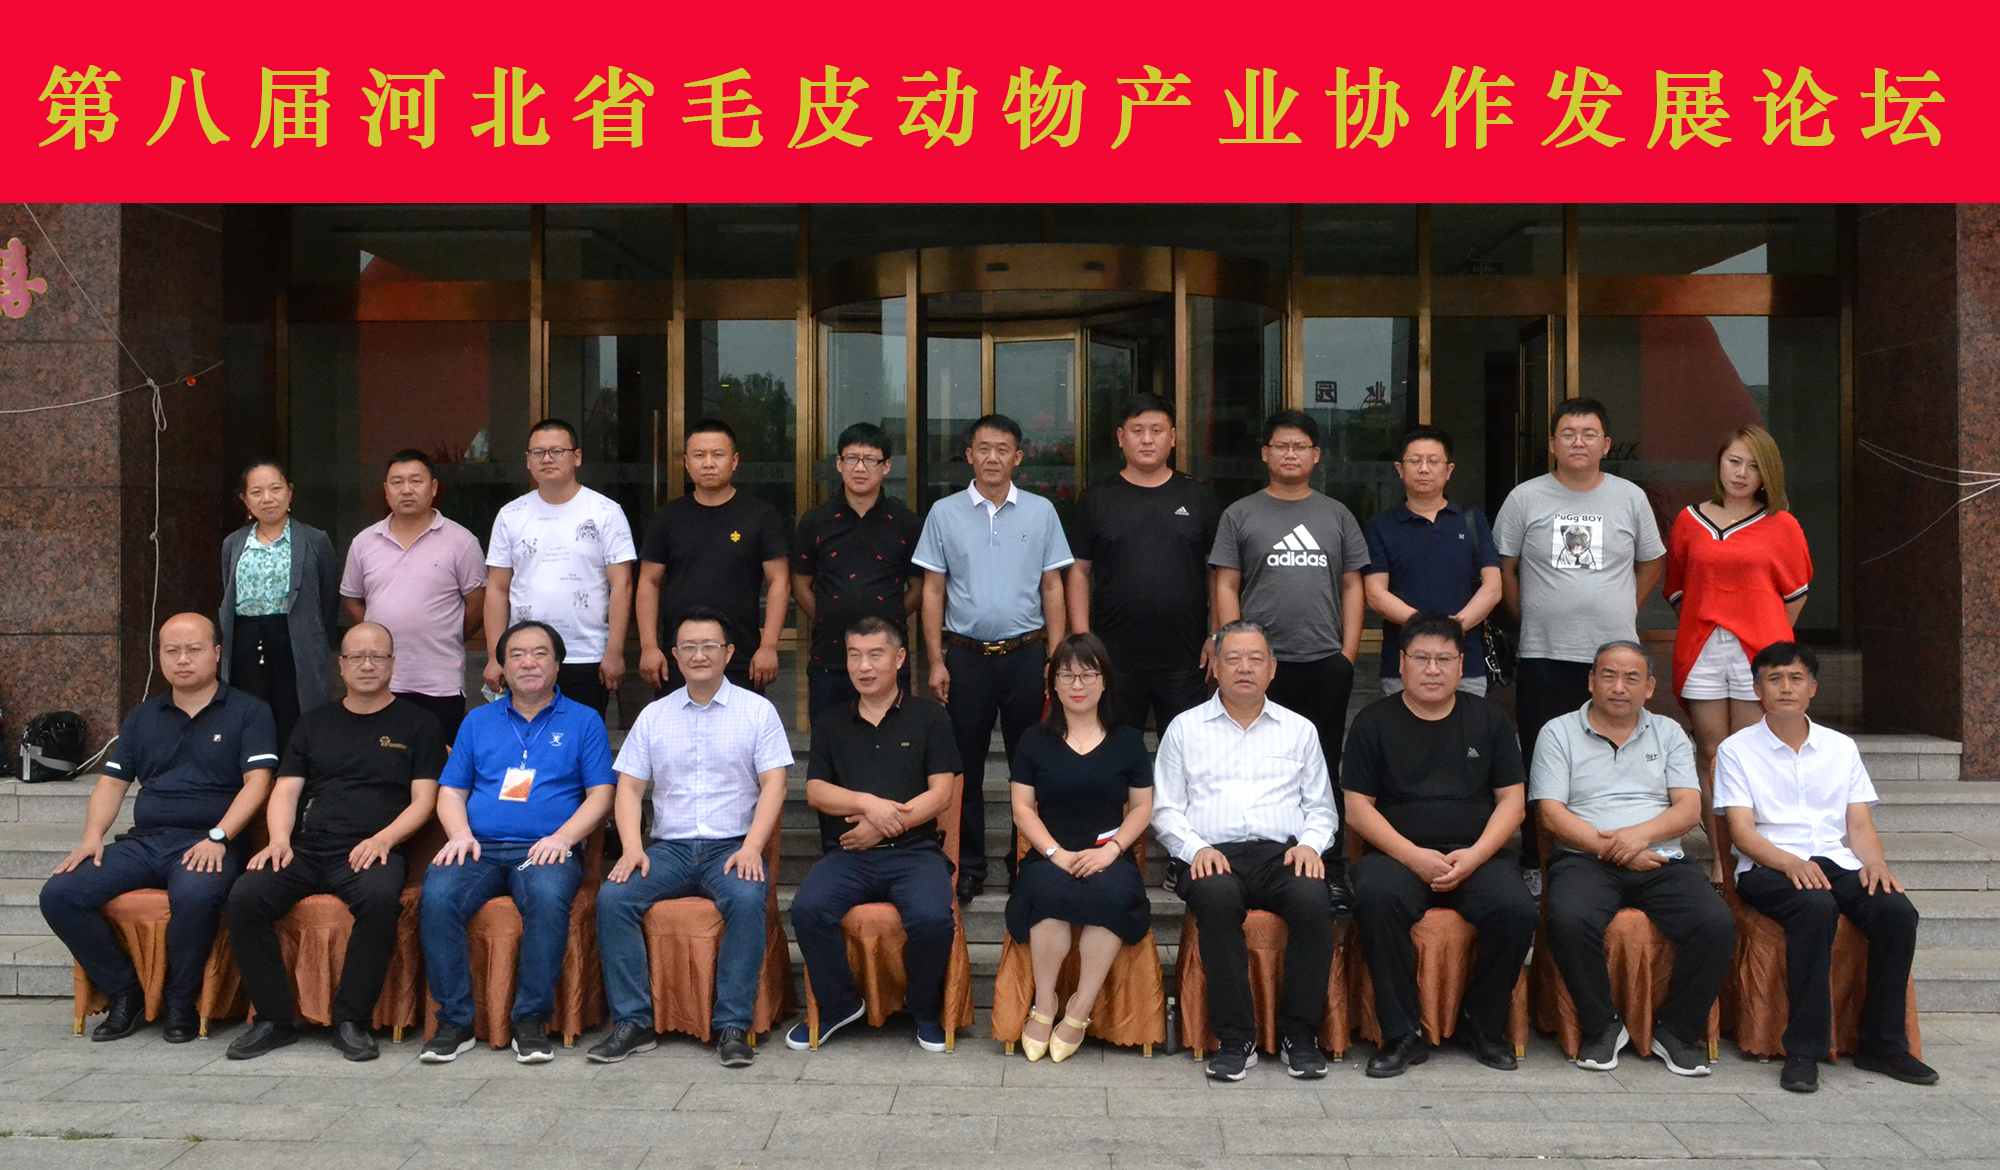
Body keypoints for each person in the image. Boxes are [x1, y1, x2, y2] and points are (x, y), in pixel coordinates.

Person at [40, 614, 277, 1044]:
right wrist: (92, 837)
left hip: (210, 840)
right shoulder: (143, 716)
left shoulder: (249, 712)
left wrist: (219, 836)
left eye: (193, 650)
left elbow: (258, 784)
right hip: (146, 841)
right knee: (60, 894)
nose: (182, 660)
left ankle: (180, 1003)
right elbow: (112, 783)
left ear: (217, 654)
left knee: (196, 894)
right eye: (172, 651)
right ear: (161, 656)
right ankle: (125, 992)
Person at [1714, 641, 1936, 1094]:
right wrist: (1790, 863)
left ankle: (1883, 1045)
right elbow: (1742, 833)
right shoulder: (1737, 750)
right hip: (1768, 864)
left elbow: (1859, 823)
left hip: (1835, 861)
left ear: (1812, 688)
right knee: (1815, 908)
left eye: (1796, 678)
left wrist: (1876, 864)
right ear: (1758, 690)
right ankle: (1804, 1050)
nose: (1786, 687)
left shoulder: (1841, 747)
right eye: (1774, 679)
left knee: (1897, 912)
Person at [223, 622, 445, 1062]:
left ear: (393, 664)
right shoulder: (314, 723)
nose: (367, 665)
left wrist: (384, 839)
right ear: (341, 666)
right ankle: (273, 1020)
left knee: (379, 900)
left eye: (377, 656)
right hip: (308, 847)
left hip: (374, 849)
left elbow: (425, 800)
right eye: (357, 657)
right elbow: (286, 790)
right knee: (245, 897)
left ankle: (351, 1020)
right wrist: (279, 840)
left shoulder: (419, 724)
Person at [590, 607, 792, 1069]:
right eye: (689, 647)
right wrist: (633, 847)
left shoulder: (757, 712)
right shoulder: (654, 716)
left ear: (729, 653)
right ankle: (633, 1022)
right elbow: (629, 788)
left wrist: (752, 847)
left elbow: (775, 785)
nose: (699, 655)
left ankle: (733, 1026)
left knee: (746, 899)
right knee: (613, 899)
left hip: (732, 847)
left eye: (709, 646)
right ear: (675, 655)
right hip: (670, 851)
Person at [1343, 612, 1535, 1078]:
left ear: (1461, 665)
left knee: (1515, 908)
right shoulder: (1373, 722)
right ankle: (1401, 1033)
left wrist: (1475, 856)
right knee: (1375, 898)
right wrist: (1412, 856)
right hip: (1399, 856)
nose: (1433, 669)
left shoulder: (1489, 719)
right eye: (1422, 659)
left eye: (1444, 660)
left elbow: (1512, 802)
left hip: (1476, 855)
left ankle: (1482, 1024)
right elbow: (1358, 809)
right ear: (1401, 663)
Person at [1531, 640, 1734, 1077]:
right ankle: (1602, 1026)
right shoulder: (1558, 732)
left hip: (1659, 857)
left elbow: (1688, 808)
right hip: (1585, 857)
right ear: (1591, 681)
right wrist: (1614, 850)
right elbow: (1550, 812)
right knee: (1568, 919)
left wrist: (1638, 839)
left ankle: (1677, 1031)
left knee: (1715, 924)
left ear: (1649, 687)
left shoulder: (1669, 732)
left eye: (1631, 678)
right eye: (1608, 675)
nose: (1619, 687)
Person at [419, 620, 615, 1065]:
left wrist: (563, 837)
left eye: (540, 653)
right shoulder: (477, 721)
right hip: (479, 847)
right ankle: (454, 1021)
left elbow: (602, 793)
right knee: (438, 895)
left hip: (545, 849)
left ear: (558, 663)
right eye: (517, 655)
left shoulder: (584, 720)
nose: (528, 663)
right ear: (501, 667)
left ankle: (530, 1020)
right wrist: (459, 834)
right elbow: (451, 791)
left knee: (546, 899)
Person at [1152, 619, 1337, 1083]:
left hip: (1283, 855)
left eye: (1256, 659)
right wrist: (1195, 848)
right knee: (1216, 900)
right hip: (1212, 854)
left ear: (1273, 668)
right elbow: (1166, 811)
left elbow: (1321, 809)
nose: (1245, 668)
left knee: (1314, 901)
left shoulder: (1299, 730)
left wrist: (1311, 845)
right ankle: (1236, 1039)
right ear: (1214, 667)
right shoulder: (1184, 729)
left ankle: (1300, 1035)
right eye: (1233, 658)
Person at [1495, 398, 1666, 892]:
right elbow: (1504, 566)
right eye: (1567, 433)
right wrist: (1528, 616)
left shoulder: (1630, 497)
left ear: (1606, 444)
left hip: (1613, 657)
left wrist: (1623, 610)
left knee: (1612, 754)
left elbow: (1652, 562)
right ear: (1552, 444)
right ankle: (1538, 858)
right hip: (1544, 652)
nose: (1578, 442)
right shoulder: (1525, 498)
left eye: (1589, 434)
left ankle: (1611, 846)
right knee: (1541, 756)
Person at [914, 413, 1072, 903]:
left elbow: (1053, 586)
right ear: (969, 455)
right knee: (965, 766)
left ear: (1018, 457)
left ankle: (1028, 860)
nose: (992, 458)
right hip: (966, 657)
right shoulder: (944, 513)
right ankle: (969, 866)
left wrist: (1055, 657)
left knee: (1032, 762)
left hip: (1025, 655)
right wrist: (935, 660)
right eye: (983, 448)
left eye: (1003, 449)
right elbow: (933, 590)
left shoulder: (1041, 512)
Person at [786, 617, 962, 1053]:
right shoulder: (830, 721)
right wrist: (869, 804)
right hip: (850, 855)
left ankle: (923, 1009)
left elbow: (941, 794)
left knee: (933, 919)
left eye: (875, 654)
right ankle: (839, 1005)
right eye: (854, 655)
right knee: (807, 909)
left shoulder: (930, 718)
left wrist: (885, 827)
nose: (864, 666)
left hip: (915, 853)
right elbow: (816, 791)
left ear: (899, 658)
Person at [1664, 426, 1813, 854]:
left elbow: (1795, 595)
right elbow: (1677, 588)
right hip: (1703, 648)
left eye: (1753, 466)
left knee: (1750, 751)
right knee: (1710, 749)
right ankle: (1719, 858)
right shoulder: (1690, 520)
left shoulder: (1782, 524)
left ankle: (1752, 852)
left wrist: (1765, 631)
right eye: (1734, 462)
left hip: (1758, 654)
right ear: (1719, 464)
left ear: (1767, 474)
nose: (1742, 473)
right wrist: (1705, 622)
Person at [1007, 634, 1154, 1063]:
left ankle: (1079, 1010)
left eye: (1088, 675)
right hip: (1050, 853)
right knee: (1047, 895)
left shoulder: (1127, 740)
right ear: (1052, 682)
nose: (1078, 685)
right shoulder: (1033, 740)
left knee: (1111, 897)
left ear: (1104, 682)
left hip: (1109, 853)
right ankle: (1045, 1003)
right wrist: (1056, 854)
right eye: (1067, 675)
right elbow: (1022, 808)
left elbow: (1142, 808)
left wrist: (1112, 851)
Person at [1211, 409, 1368, 797]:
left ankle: (1324, 836)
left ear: (1316, 455)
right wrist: (1235, 651)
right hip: (1261, 662)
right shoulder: (1239, 514)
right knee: (1258, 757)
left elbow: (1352, 586)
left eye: (1300, 446)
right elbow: (1226, 585)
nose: (1291, 454)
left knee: (1323, 761)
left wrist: (1347, 655)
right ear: (1266, 453)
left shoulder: (1338, 515)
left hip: (1324, 659)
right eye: (1282, 446)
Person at [1065, 393, 1221, 732]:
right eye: (1137, 431)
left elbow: (1216, 573)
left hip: (1186, 657)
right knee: (1115, 748)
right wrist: (1082, 641)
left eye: (1157, 430)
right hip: (1113, 657)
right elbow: (1079, 571)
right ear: (1121, 438)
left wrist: (1216, 636)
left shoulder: (1199, 497)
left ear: (1173, 437)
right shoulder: (1097, 498)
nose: (1147, 439)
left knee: (1186, 749)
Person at [483, 418, 636, 719]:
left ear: (576, 457)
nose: (547, 459)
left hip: (586, 655)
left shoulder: (605, 512)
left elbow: (622, 584)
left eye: (556, 451)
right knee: (525, 736)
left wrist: (614, 652)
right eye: (538, 453)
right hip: (524, 656)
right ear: (528, 461)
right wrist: (494, 656)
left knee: (581, 739)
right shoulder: (511, 514)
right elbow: (497, 588)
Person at [339, 450, 487, 743]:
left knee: (437, 758)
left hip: (439, 682)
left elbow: (477, 605)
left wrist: (448, 635)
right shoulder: (364, 542)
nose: (406, 490)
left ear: (433, 488)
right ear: (386, 490)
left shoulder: (461, 541)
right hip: (379, 679)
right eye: (397, 482)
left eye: (415, 481)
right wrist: (376, 635)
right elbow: (352, 600)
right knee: (382, 758)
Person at [636, 418, 790, 696]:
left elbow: (779, 581)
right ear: (686, 462)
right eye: (699, 455)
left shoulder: (760, 516)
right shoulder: (667, 518)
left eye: (718, 455)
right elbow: (648, 582)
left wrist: (768, 647)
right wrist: (649, 647)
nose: (708, 463)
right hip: (679, 657)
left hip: (741, 656)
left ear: (734, 461)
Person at [1362, 426, 1502, 698]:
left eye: (1433, 461)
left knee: (1466, 725)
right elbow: (1376, 594)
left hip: (1466, 663)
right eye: (1415, 461)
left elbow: (1493, 587)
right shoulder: (1381, 526)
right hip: (1403, 665)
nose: (1424, 469)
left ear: (1448, 470)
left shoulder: (1472, 521)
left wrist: (1454, 628)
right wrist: (1428, 630)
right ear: (1400, 469)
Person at [793, 422, 922, 717]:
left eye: (870, 459)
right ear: (839, 464)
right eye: (851, 458)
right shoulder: (815, 521)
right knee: (829, 738)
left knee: (892, 737)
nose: (860, 467)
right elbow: (800, 584)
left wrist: (889, 617)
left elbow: (919, 587)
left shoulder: (906, 523)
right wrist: (828, 614)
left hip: (888, 660)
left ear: (886, 466)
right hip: (830, 658)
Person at [220, 460, 340, 750]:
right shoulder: (234, 543)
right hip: (246, 642)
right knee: (249, 715)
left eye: (275, 489)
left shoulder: (314, 540)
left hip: (295, 640)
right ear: (244, 499)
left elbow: (328, 599)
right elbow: (228, 591)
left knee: (293, 714)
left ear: (290, 492)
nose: (267, 498)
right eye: (257, 492)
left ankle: (293, 773)